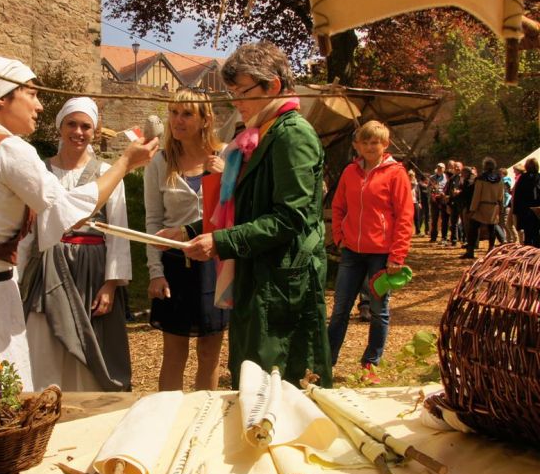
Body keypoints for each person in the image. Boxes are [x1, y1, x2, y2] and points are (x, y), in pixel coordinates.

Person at [0, 57, 158, 390]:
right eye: (31, 93)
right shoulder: (9, 150)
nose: (39, 105)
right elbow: (67, 211)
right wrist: (125, 163)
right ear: (1, 97)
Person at [162, 41, 332, 389]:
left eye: (242, 91)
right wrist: (190, 231)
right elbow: (245, 206)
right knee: (253, 378)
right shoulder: (259, 133)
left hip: (284, 282)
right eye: (232, 92)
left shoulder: (292, 135)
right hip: (261, 275)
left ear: (272, 85)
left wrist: (220, 241)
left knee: (280, 387)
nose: (235, 101)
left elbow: (290, 217)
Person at [19, 97, 132, 391]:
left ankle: (87, 407)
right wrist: (19, 276)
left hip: (91, 271)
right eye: (72, 124)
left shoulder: (108, 173)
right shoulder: (40, 171)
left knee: (88, 348)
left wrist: (111, 284)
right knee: (43, 340)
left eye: (86, 126)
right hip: (46, 267)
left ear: (94, 132)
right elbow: (28, 230)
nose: (78, 132)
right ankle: (43, 403)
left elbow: (118, 231)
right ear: (60, 127)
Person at [143, 88, 228, 391]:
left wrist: (225, 176)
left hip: (215, 264)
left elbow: (235, 212)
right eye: (174, 113)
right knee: (174, 353)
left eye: (187, 114)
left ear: (205, 119)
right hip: (175, 264)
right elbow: (153, 221)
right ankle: (168, 417)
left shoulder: (225, 156)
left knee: (209, 353)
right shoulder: (160, 162)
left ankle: (203, 416)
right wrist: (156, 272)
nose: (177, 120)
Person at [328, 120, 413, 384]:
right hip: (352, 251)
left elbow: (404, 216)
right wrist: (339, 237)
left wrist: (397, 255)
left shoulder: (396, 173)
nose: (369, 147)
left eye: (374, 142)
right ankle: (325, 361)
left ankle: (370, 364)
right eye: (364, 142)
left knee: (378, 310)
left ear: (385, 144)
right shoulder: (350, 172)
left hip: (381, 253)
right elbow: (338, 206)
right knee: (340, 308)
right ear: (357, 145)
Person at [462, 157, 504, 259]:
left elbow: (477, 195)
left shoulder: (480, 179)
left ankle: (470, 251)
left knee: (473, 228)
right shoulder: (499, 179)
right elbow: (500, 196)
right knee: (491, 228)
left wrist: (472, 209)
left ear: (484, 166)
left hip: (481, 207)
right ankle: (491, 249)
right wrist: (500, 207)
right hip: (493, 207)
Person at [512, 158, 540, 247]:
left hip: (526, 210)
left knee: (528, 234)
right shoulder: (538, 177)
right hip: (536, 210)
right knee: (536, 233)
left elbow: (517, 195)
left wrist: (515, 211)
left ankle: (530, 251)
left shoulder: (523, 178)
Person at [429, 163, 449, 243]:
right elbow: (428, 189)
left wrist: (442, 193)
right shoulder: (432, 178)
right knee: (434, 219)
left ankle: (444, 237)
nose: (439, 169)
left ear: (444, 169)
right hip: (434, 200)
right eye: (438, 167)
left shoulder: (447, 178)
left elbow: (447, 188)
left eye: (441, 168)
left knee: (444, 219)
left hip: (443, 200)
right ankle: (433, 237)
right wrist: (432, 194)